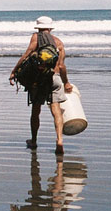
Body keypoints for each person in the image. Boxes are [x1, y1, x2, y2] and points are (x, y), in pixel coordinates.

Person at [9, 16, 73, 154]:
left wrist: (14, 71)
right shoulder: (58, 42)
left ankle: (34, 141)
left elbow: (26, 55)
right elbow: (61, 66)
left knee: (36, 111)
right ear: (50, 28)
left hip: (39, 79)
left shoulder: (35, 38)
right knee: (56, 110)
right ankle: (59, 140)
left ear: (38, 28)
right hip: (54, 78)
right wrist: (66, 82)